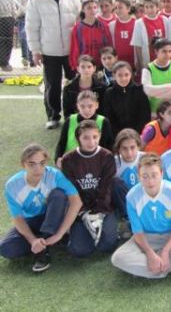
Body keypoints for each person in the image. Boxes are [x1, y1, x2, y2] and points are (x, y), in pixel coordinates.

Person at [111, 153, 171, 278]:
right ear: (139, 176)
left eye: (154, 175)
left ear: (161, 173)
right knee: (118, 258)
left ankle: (154, 265)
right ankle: (169, 265)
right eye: (145, 176)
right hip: (147, 238)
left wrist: (165, 251)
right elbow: (137, 232)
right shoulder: (132, 196)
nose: (150, 181)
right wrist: (150, 253)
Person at [0, 144, 82, 272]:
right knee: (6, 248)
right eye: (32, 164)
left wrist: (59, 234)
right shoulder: (12, 185)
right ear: (23, 165)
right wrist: (32, 240)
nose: (38, 169)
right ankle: (45, 241)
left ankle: (42, 251)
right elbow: (18, 219)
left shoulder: (54, 175)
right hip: (31, 221)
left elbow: (76, 202)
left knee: (58, 195)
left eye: (42, 163)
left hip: (54, 216)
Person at [25, 0, 80, 129]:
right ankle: (53, 116)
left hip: (71, 52)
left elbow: (80, 24)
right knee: (52, 86)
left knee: (74, 84)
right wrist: (35, 51)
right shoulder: (35, 0)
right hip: (49, 51)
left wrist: (80, 49)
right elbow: (31, 27)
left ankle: (73, 114)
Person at [60, 120, 119, 257]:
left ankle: (111, 221)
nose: (91, 141)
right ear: (78, 138)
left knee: (107, 246)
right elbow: (72, 189)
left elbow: (106, 187)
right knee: (80, 251)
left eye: (95, 137)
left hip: (102, 208)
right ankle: (71, 232)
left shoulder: (107, 156)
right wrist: (84, 212)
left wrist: (97, 212)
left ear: (100, 136)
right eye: (86, 137)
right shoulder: (68, 159)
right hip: (80, 209)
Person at [55, 90, 113, 163]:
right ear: (77, 106)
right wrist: (58, 158)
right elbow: (62, 142)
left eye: (90, 106)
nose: (86, 110)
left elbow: (109, 145)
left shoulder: (104, 121)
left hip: (95, 162)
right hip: (71, 162)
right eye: (82, 106)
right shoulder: (70, 120)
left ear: (96, 105)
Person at [103, 61, 151, 135]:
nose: (123, 78)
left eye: (126, 75)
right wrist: (119, 134)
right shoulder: (109, 93)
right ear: (114, 76)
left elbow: (145, 115)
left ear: (131, 75)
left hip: (137, 133)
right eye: (120, 75)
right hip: (117, 134)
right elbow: (108, 116)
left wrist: (136, 133)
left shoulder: (139, 90)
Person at [141, 38, 171, 114]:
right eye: (164, 51)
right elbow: (147, 90)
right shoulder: (148, 69)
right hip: (154, 112)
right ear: (156, 52)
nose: (167, 54)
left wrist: (156, 94)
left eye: (170, 51)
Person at [69, 0, 112, 70]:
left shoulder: (103, 26)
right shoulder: (78, 29)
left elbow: (109, 45)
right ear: (83, 10)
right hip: (85, 66)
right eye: (89, 8)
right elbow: (74, 49)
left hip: (102, 64)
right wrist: (75, 65)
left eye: (95, 7)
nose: (92, 10)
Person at [131, 0, 168, 74]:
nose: (149, 10)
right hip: (148, 59)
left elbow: (168, 41)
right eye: (146, 7)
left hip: (163, 58)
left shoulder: (164, 20)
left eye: (151, 7)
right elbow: (137, 46)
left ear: (157, 8)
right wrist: (141, 64)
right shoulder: (139, 23)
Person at [13, 0, 38, 68]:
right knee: (22, 38)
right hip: (19, 18)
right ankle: (26, 59)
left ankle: (29, 59)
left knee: (26, 38)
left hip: (27, 18)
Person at [109, 0, 136, 69]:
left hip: (134, 61)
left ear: (128, 9)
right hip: (118, 63)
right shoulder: (112, 25)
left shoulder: (137, 23)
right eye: (115, 8)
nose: (117, 10)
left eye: (120, 7)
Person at [0, 0, 17, 72]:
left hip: (8, 18)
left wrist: (14, 19)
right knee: (4, 41)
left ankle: (5, 62)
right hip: (3, 18)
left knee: (8, 41)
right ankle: (3, 62)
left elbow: (13, 8)